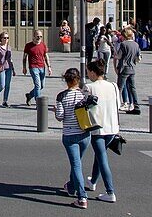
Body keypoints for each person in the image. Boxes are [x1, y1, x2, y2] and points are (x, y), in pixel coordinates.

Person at [82, 59, 121, 204]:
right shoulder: (113, 86)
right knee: (100, 154)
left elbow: (83, 107)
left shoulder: (89, 87)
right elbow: (118, 105)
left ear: (93, 72)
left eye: (88, 71)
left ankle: (110, 191)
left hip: (97, 127)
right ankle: (92, 181)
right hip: (112, 127)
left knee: (102, 157)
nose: (87, 74)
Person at [54, 67, 91, 209]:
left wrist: (56, 111)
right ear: (78, 79)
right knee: (77, 163)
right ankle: (71, 186)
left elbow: (60, 117)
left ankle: (82, 197)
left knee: (76, 165)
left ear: (66, 80)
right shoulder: (84, 94)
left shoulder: (61, 96)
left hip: (69, 135)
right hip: (84, 134)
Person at [114, 26, 141, 114]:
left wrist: (115, 54)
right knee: (133, 88)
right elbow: (138, 58)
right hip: (132, 68)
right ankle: (136, 105)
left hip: (124, 67)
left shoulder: (123, 44)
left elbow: (119, 56)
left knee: (120, 88)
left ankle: (115, 105)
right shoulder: (136, 44)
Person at [22, 29, 52, 106]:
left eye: (41, 36)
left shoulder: (43, 45)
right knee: (37, 85)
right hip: (33, 67)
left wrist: (49, 67)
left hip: (42, 67)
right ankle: (38, 103)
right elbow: (24, 57)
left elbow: (46, 56)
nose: (39, 38)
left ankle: (29, 95)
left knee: (42, 86)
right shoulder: (28, 46)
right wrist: (24, 67)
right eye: (37, 36)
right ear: (34, 36)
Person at [0, 31, 14, 107]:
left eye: (7, 38)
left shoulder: (9, 47)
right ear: (1, 38)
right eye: (4, 38)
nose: (6, 39)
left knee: (8, 85)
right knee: (2, 85)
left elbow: (10, 59)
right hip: (1, 67)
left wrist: (13, 69)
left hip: (9, 68)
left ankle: (5, 101)